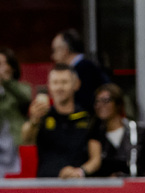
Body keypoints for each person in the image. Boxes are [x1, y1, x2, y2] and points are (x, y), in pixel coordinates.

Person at [22, 64, 101, 179]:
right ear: (49, 85)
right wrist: (34, 120)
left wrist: (79, 172)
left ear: (76, 84)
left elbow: (96, 159)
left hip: (78, 187)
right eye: (55, 82)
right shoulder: (42, 116)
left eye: (64, 82)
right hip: (46, 187)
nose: (59, 87)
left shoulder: (88, 117)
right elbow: (26, 140)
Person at [90, 84, 145, 177]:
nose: (100, 105)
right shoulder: (95, 136)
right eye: (97, 101)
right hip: (107, 189)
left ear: (118, 104)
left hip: (137, 187)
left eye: (106, 100)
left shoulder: (139, 132)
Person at [51, 29, 109, 113]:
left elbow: (87, 103)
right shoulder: (87, 65)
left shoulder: (84, 69)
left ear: (65, 50)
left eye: (54, 50)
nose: (52, 56)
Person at [0, 47, 31, 177]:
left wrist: (7, 82)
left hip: (15, 145)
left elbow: (26, 98)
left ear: (11, 67)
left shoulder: (21, 87)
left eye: (1, 64)